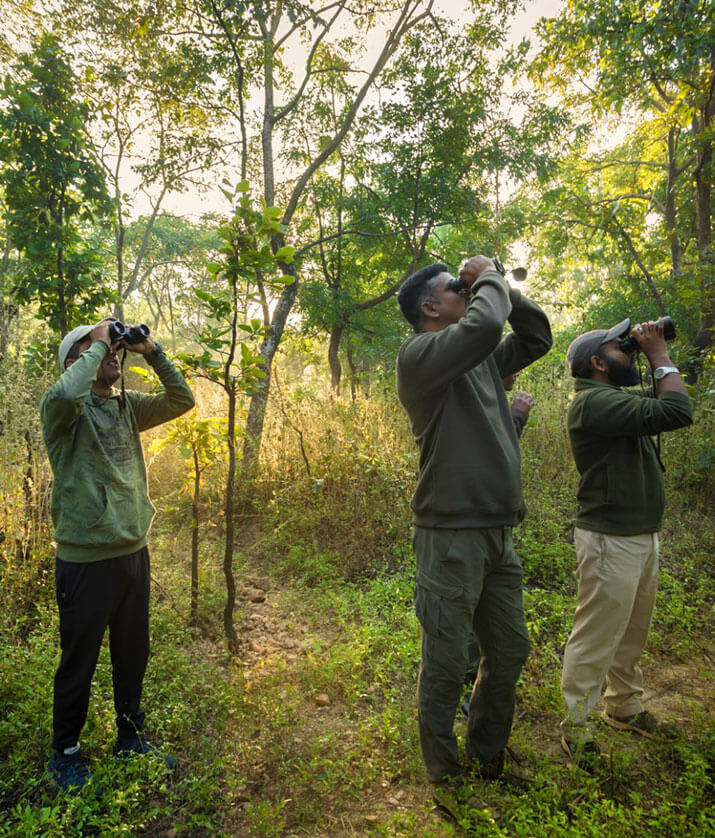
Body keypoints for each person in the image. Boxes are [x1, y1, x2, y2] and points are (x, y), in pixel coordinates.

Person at [395, 256, 552, 816]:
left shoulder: (481, 360)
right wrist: (484, 274)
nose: (467, 292)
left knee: (508, 650)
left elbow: (536, 337)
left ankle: (488, 758)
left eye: (467, 287)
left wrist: (501, 284)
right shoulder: (418, 357)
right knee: (444, 661)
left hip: (499, 534)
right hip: (450, 537)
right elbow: (486, 324)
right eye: (453, 288)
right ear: (430, 308)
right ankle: (444, 773)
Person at [41, 318, 195, 794]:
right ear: (76, 361)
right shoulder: (62, 410)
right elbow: (66, 395)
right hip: (85, 559)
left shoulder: (127, 407)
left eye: (110, 345)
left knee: (133, 654)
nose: (109, 350)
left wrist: (151, 350)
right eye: (94, 346)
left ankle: (130, 737)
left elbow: (182, 400)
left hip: (132, 550)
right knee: (79, 660)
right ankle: (64, 753)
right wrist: (96, 344)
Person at [560, 318, 692, 772]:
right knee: (597, 635)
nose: (631, 353)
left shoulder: (611, 398)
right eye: (623, 348)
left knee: (632, 632)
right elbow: (676, 410)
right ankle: (576, 728)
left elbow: (664, 398)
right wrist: (657, 353)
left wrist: (652, 353)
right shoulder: (592, 404)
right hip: (609, 540)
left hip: (637, 535)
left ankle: (624, 706)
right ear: (598, 363)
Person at [461, 375, 535, 716]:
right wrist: (516, 416)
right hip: (469, 525)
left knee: (489, 617)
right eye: (506, 365)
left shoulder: (487, 397)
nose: (512, 374)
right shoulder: (470, 394)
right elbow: (488, 447)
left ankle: (476, 681)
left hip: (494, 525)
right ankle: (468, 684)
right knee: (470, 609)